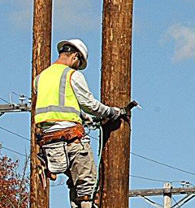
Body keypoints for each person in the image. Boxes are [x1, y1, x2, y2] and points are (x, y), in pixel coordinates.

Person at [33, 39, 127, 208]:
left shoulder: (40, 78)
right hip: (71, 140)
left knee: (75, 185)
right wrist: (112, 112)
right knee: (87, 189)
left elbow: (59, 104)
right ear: (75, 56)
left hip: (49, 144)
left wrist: (84, 117)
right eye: (78, 63)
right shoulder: (72, 75)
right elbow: (90, 104)